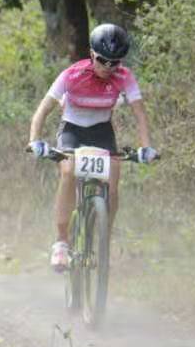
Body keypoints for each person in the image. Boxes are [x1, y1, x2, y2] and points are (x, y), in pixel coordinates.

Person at [26, 23, 157, 271]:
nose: (107, 67)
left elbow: (140, 113)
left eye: (114, 62)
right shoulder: (71, 75)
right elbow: (42, 111)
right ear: (91, 54)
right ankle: (62, 243)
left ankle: (103, 239)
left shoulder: (124, 77)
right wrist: (34, 141)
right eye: (102, 60)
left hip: (101, 131)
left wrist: (146, 147)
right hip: (72, 130)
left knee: (114, 179)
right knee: (68, 171)